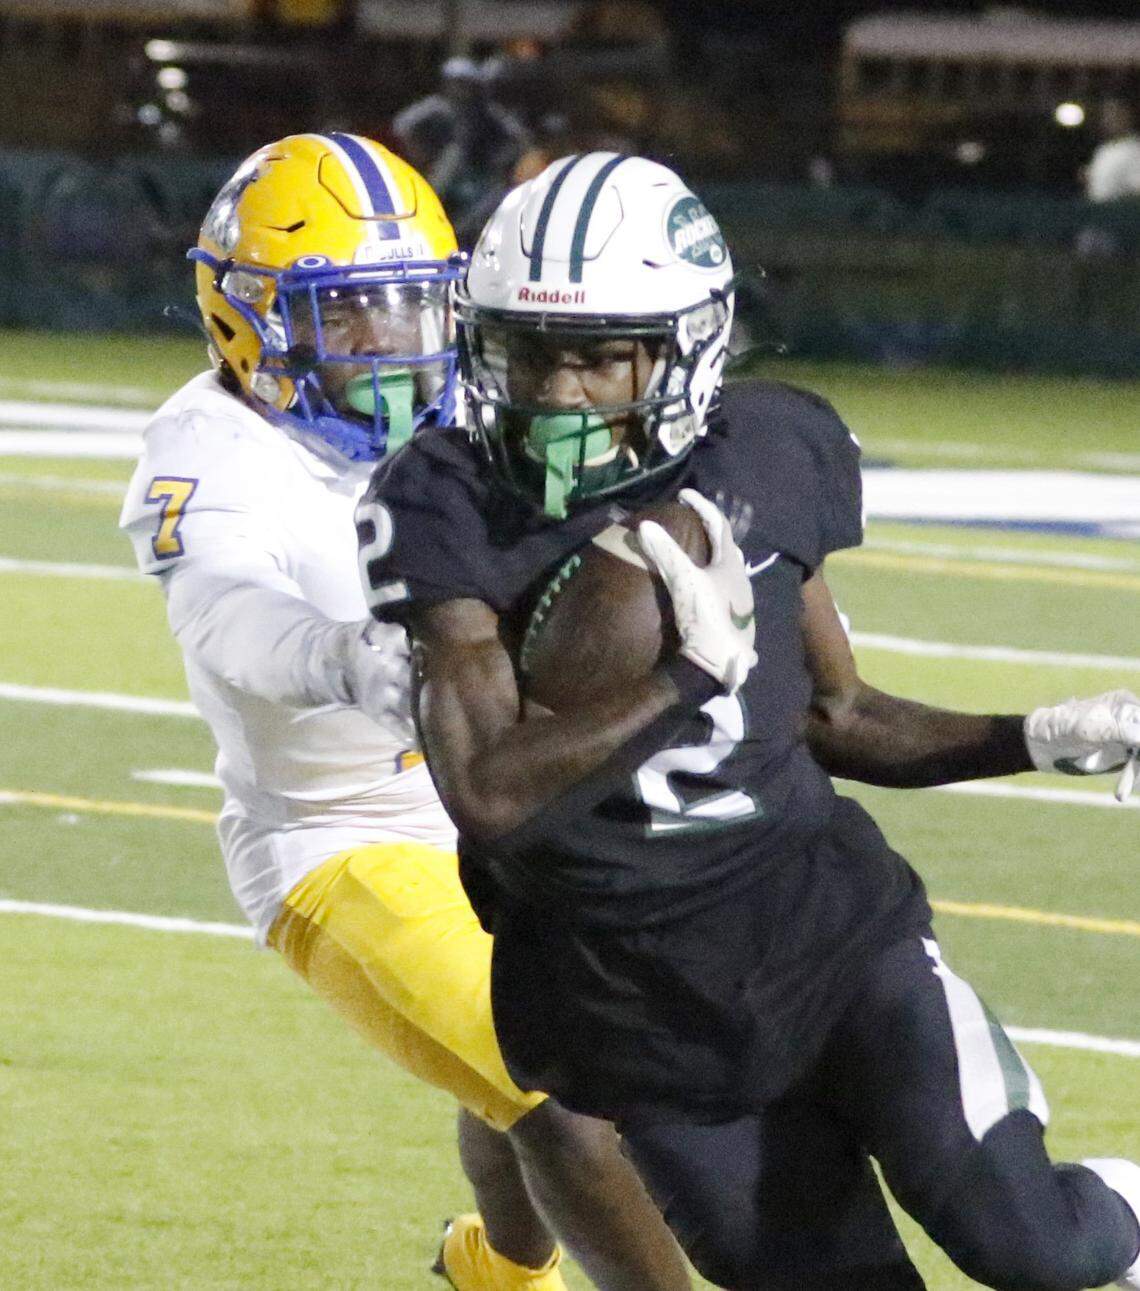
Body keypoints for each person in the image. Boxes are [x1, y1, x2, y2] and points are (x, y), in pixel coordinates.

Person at [359, 151, 1140, 1291]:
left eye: (596, 355)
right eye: (529, 350)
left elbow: (836, 711)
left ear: (687, 347)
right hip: (630, 1011)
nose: (559, 391)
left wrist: (1028, 736)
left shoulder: (768, 450)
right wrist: (686, 674)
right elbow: (489, 792)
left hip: (832, 944)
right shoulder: (444, 497)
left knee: (1036, 1247)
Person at [118, 134, 691, 1291]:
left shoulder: (471, 400)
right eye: (347, 311)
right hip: (340, 836)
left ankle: (493, 1270)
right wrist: (348, 660)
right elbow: (229, 616)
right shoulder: (210, 448)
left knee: (560, 1060)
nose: (390, 340)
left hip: (509, 801)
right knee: (563, 1091)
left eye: (407, 303)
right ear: (245, 317)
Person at [391, 57, 530, 244]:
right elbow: (402, 126)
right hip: (445, 167)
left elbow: (518, 137)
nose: (460, 89)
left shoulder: (484, 110)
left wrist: (502, 158)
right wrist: (421, 153)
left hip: (479, 170)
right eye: (455, 83)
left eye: (465, 84)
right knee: (439, 182)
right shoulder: (437, 106)